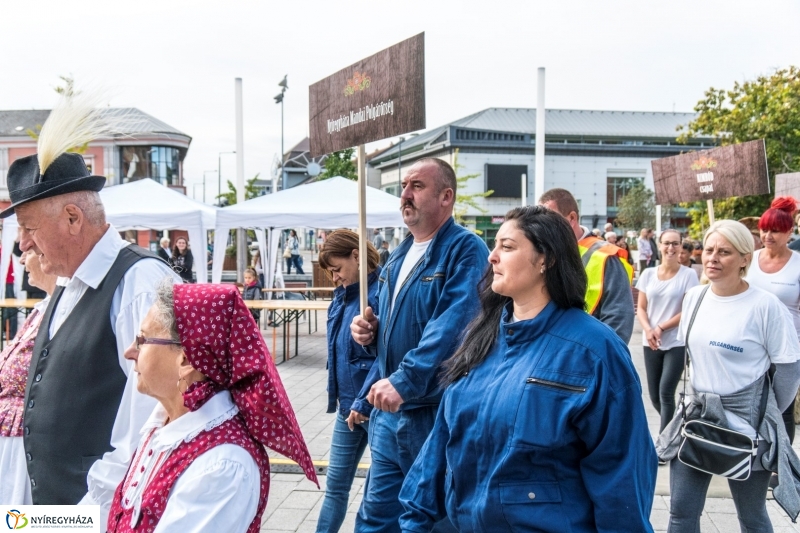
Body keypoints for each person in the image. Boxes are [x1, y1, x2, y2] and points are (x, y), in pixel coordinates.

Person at [398, 206, 657, 532]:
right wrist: (413, 521)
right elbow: (440, 445)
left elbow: (622, 472)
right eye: (495, 246)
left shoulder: (595, 351)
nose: (492, 257)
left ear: (545, 259)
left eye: (507, 247)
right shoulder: (480, 337)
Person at [1, 93, 181, 521]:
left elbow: (153, 424)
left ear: (71, 218)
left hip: (95, 514)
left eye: (28, 228)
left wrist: (81, 520)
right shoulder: (68, 283)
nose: (23, 243)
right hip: (51, 511)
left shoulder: (139, 283)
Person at [107, 282, 316, 531]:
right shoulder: (167, 422)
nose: (129, 351)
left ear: (186, 359)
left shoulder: (222, 465)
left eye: (142, 340)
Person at [349, 158, 488, 533]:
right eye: (404, 187)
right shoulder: (397, 254)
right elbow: (387, 325)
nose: (405, 195)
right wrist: (366, 330)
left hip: (431, 415)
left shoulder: (465, 250)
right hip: (388, 415)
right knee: (375, 520)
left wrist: (405, 382)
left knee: (433, 520)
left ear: (447, 196)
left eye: (417, 186)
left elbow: (452, 328)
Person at [656, 220, 800, 531]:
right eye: (708, 250)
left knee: (751, 517)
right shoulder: (694, 298)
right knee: (680, 514)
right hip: (698, 419)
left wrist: (766, 410)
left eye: (724, 252)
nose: (712, 258)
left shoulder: (766, 306)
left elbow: (789, 369)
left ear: (745, 258)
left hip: (748, 427)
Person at [316, 230, 381, 533]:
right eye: (330, 273)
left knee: (378, 495)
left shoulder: (382, 293)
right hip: (348, 409)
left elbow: (388, 357)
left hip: (378, 408)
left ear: (356, 256)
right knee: (335, 487)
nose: (334, 278)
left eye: (337, 269)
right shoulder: (340, 299)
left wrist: (364, 400)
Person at [539, 188, 634, 343]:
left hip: (589, 353)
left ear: (572, 218)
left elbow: (619, 317)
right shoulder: (544, 253)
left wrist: (603, 358)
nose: (545, 228)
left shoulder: (605, 256)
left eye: (551, 221)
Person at [0, 249, 57, 504]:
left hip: (27, 451)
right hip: (14, 448)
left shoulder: (60, 312)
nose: (22, 259)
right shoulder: (42, 308)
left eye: (30, 251)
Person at [746, 198, 800, 450]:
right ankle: (752, 457)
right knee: (750, 405)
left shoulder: (797, 264)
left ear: (790, 231)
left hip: (786, 347)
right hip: (750, 344)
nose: (767, 235)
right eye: (764, 229)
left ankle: (782, 466)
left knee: (782, 409)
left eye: (775, 231)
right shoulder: (748, 260)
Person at [635, 229, 699, 435]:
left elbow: (687, 310)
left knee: (665, 392)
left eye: (675, 243)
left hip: (676, 341)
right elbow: (641, 307)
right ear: (660, 245)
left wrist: (661, 327)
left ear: (681, 246)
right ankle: (676, 429)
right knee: (654, 395)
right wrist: (649, 330)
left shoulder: (688, 275)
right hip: (651, 340)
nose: (671, 248)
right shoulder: (648, 274)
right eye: (667, 243)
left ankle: (664, 443)